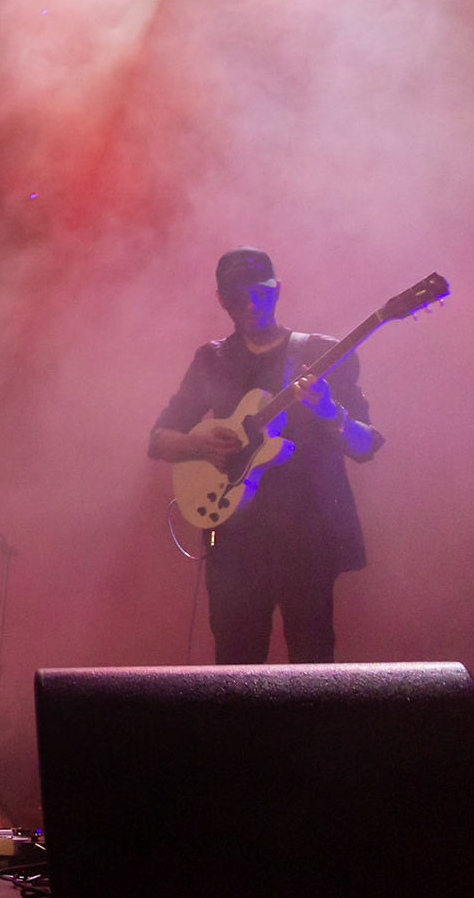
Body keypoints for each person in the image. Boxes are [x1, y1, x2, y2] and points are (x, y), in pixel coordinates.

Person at [148, 248, 384, 663]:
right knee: (235, 672)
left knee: (313, 668)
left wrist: (330, 411)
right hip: (234, 539)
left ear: (278, 290)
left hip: (308, 537)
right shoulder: (212, 357)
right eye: (237, 296)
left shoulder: (321, 352)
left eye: (260, 293)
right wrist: (200, 444)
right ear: (221, 298)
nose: (250, 304)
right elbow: (159, 439)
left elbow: (366, 445)